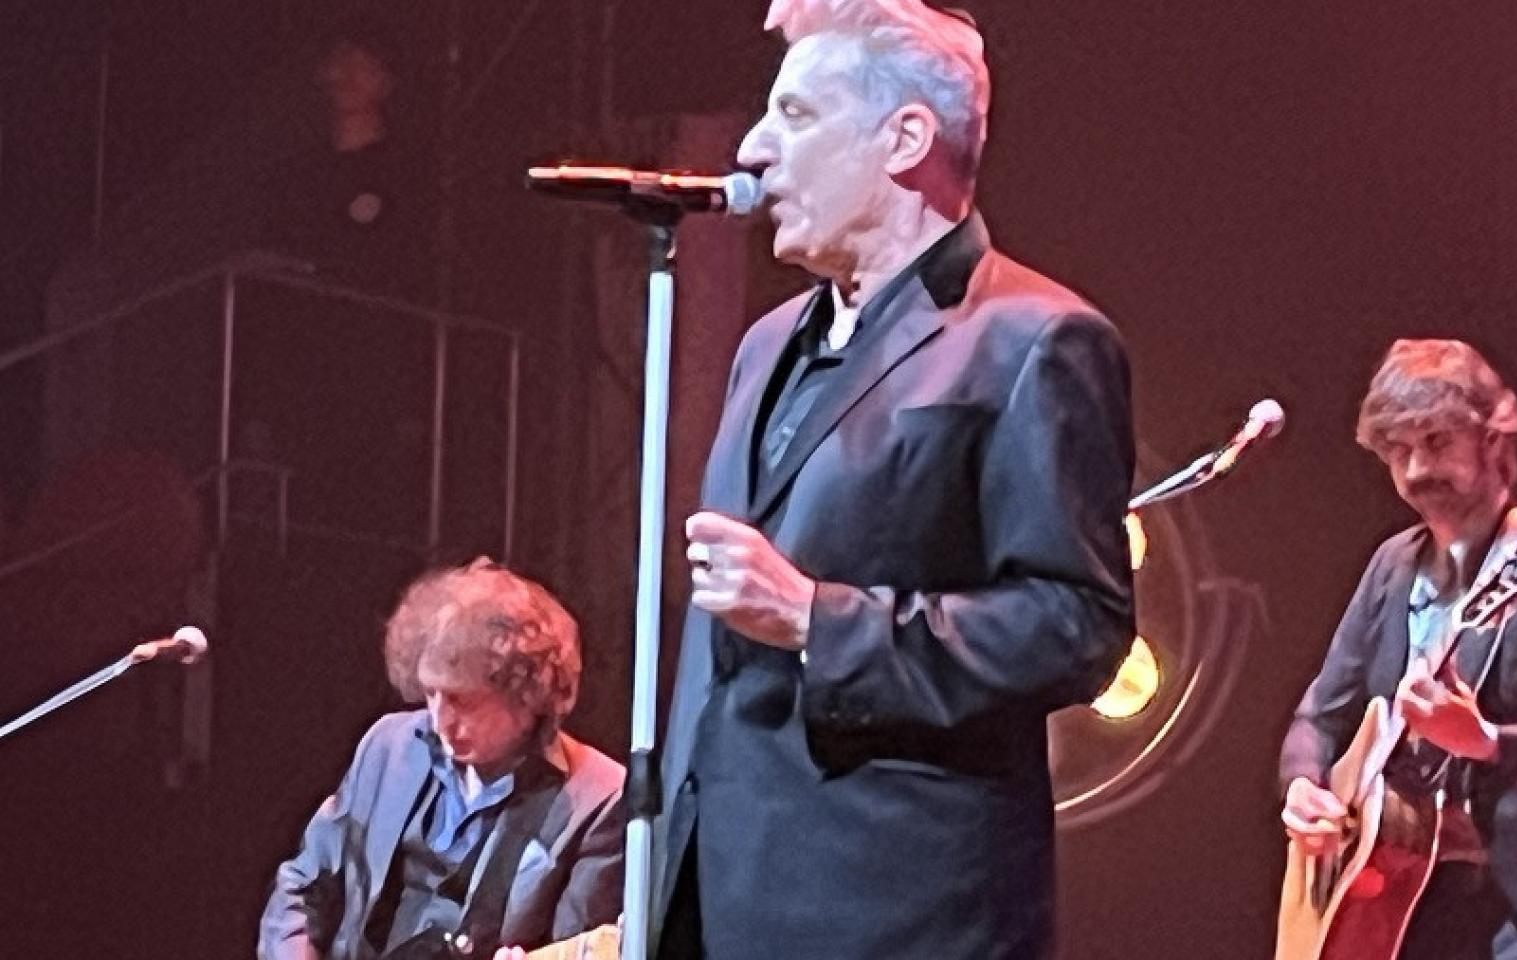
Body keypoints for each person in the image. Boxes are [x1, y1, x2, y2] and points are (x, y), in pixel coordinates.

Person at [635, 1, 1137, 957]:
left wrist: (818, 621)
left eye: (796, 117)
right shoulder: (765, 344)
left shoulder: (1033, 340)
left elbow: (1077, 629)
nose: (752, 148)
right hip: (722, 897)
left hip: (898, 912)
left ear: (906, 137)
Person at [1278, 339, 1517, 960]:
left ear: (1494, 439)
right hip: (1414, 892)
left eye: (1436, 441)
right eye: (1397, 451)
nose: (1417, 469)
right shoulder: (1391, 565)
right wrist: (1304, 787)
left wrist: (1483, 740)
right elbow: (1320, 711)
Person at [259, 558, 624, 960]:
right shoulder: (389, 746)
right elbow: (304, 884)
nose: (441, 720)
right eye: (432, 694)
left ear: (527, 695)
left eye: (462, 701)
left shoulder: (598, 800)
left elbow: (583, 944)